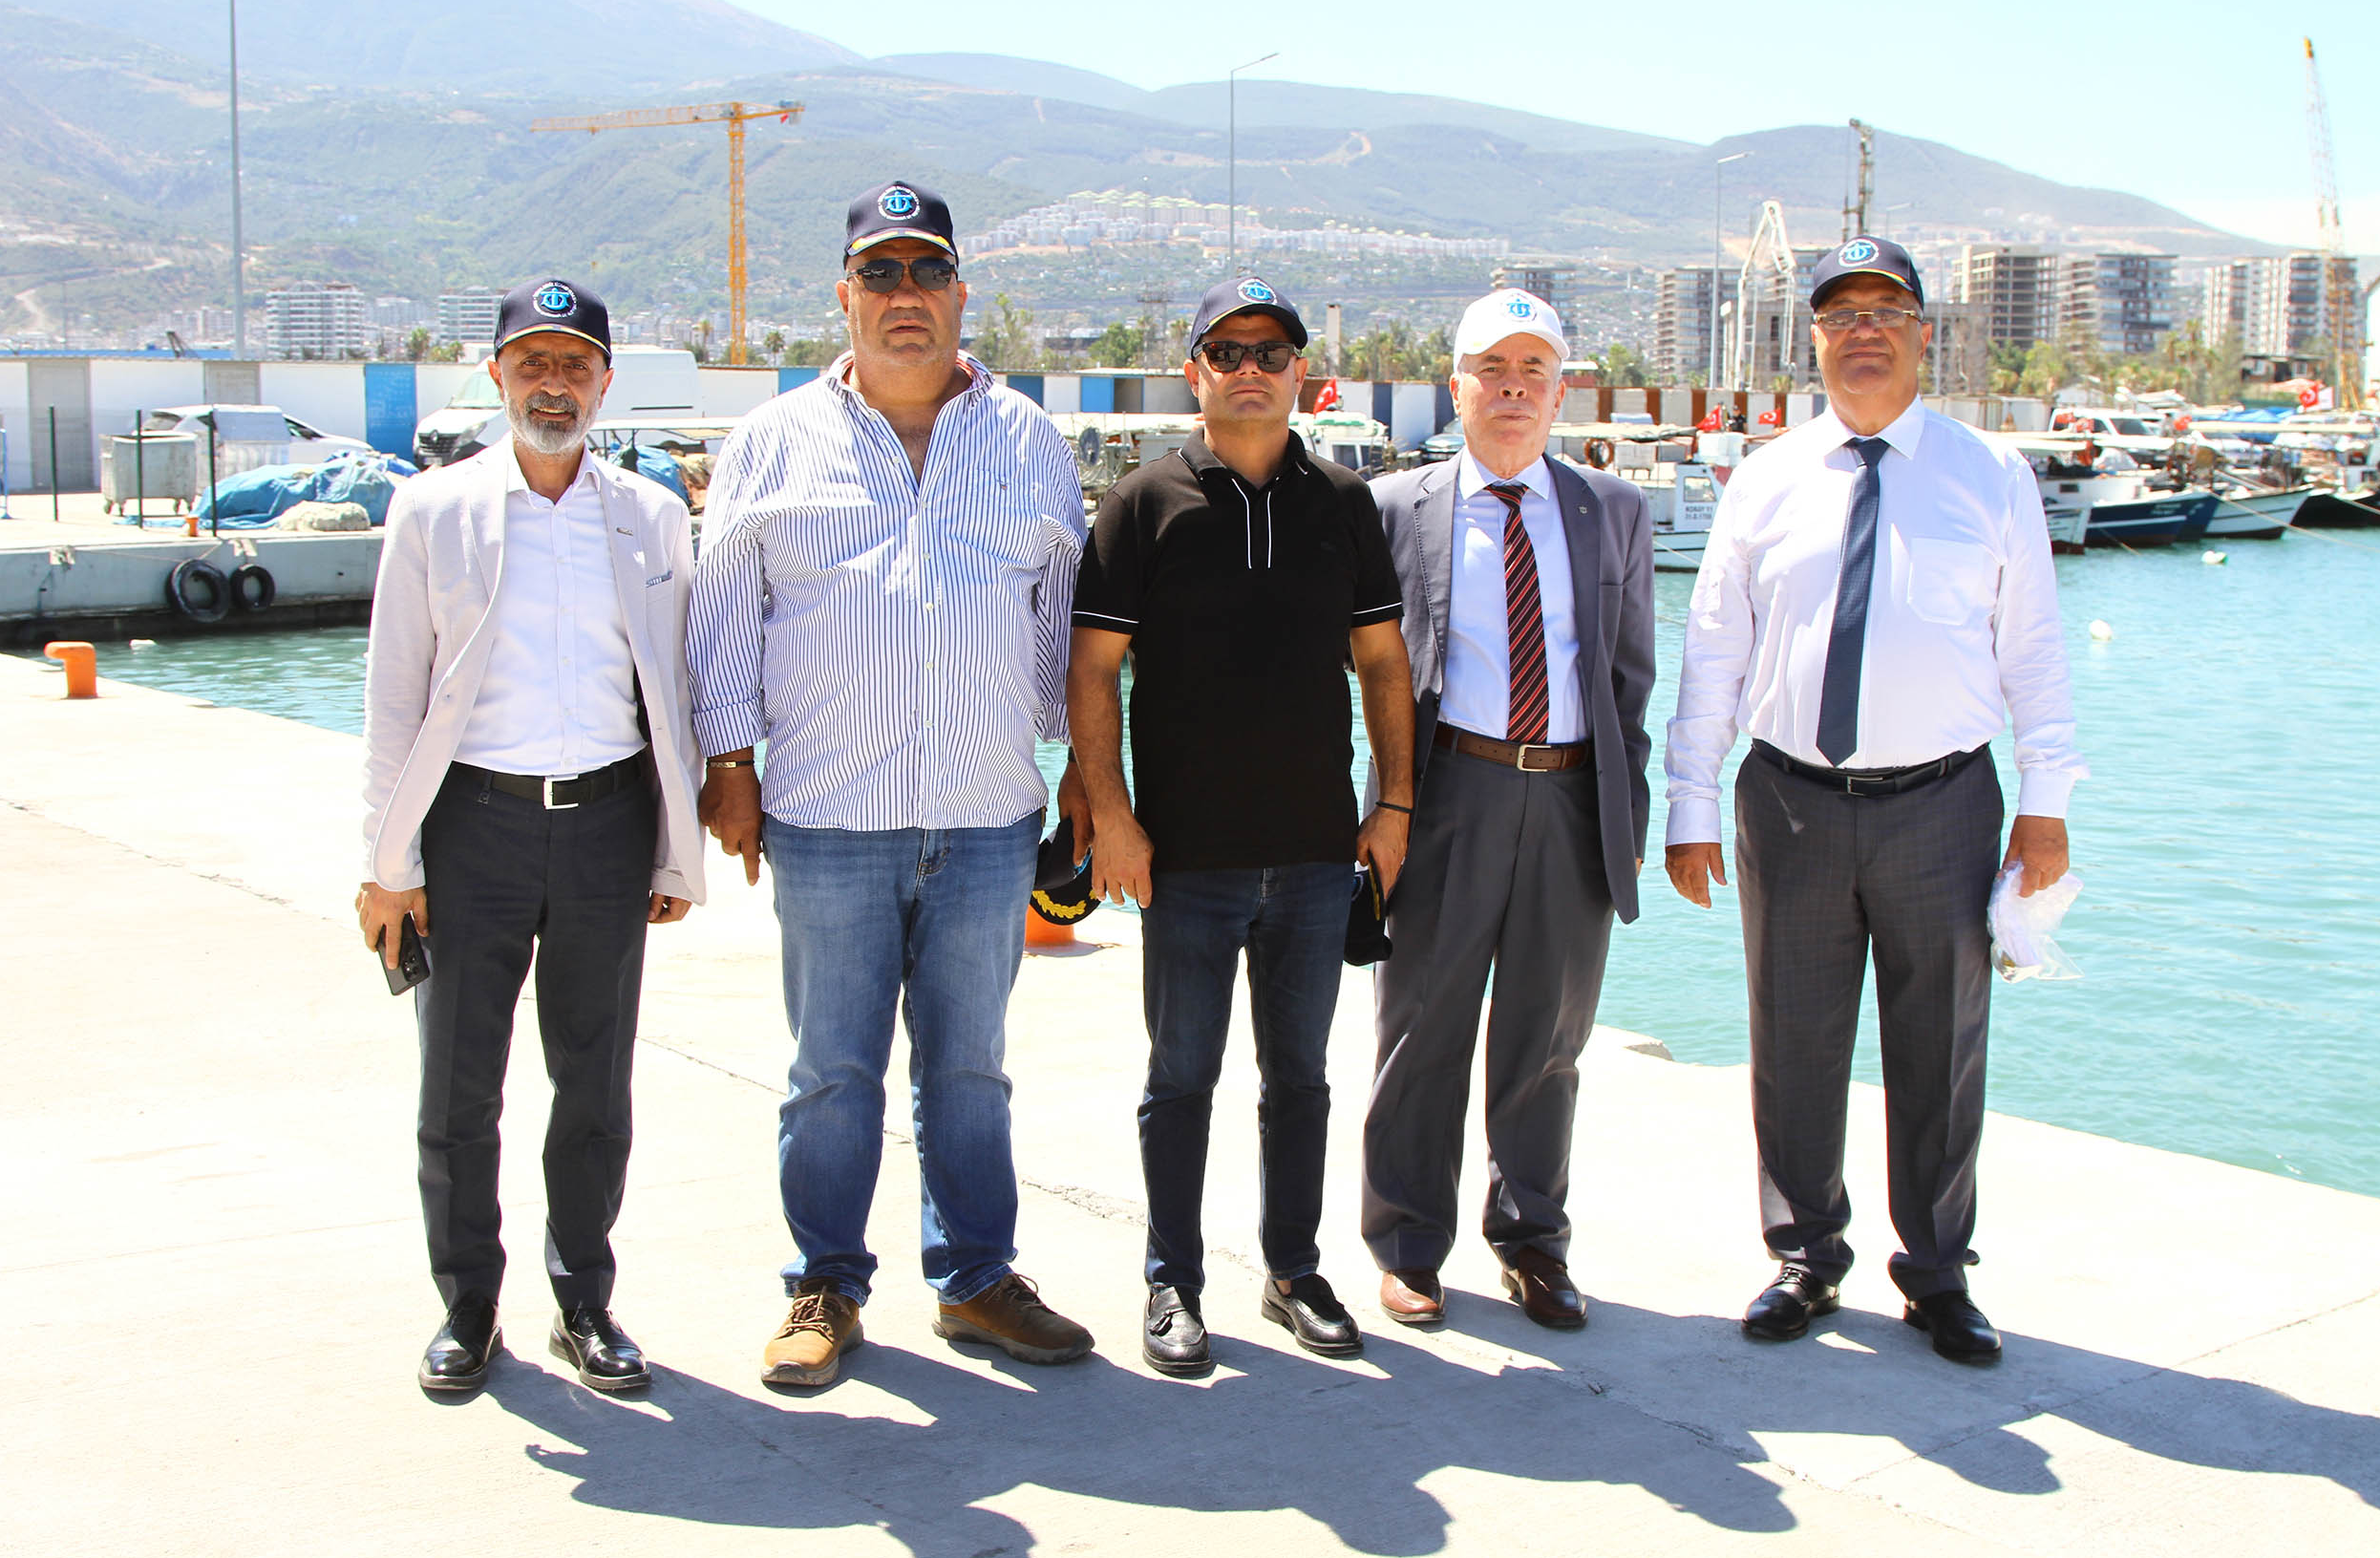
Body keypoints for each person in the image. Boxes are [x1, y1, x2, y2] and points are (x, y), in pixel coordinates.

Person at [686, 180, 1094, 1389]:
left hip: (987, 812)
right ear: (845, 294)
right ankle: (824, 1283)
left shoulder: (1028, 439)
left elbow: (1068, 620)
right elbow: (724, 611)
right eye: (880, 272)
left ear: (961, 292)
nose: (903, 295)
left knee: (970, 1068)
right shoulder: (771, 440)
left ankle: (974, 1278)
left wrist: (1085, 769)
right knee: (830, 1070)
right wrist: (729, 764)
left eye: (925, 272)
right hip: (827, 816)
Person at [1662, 235, 2085, 1366]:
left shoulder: (1990, 472)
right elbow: (1714, 648)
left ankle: (1936, 1271)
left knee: (1939, 1044)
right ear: (1812, 337)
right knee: (1791, 1037)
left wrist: (2044, 803)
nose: (1863, 330)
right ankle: (1805, 1255)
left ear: (1921, 333)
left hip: (1943, 802)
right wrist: (1688, 802)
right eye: (1840, 312)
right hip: (1787, 801)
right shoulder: (1764, 477)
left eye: (1885, 310)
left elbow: (2034, 649)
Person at [358, 277, 707, 1394]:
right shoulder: (434, 510)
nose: (553, 384)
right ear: (497, 374)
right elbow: (393, 698)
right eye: (532, 363)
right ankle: (468, 1303)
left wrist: (675, 846)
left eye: (574, 365)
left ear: (604, 382)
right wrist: (387, 865)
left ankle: (583, 1299)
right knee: (458, 1087)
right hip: (473, 828)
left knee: (595, 1083)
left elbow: (675, 692)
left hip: (608, 825)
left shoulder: (651, 515)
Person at [1070, 276, 1414, 1376]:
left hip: (1315, 854)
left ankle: (1293, 1271)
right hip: (1183, 859)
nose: (1249, 368)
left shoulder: (1344, 502)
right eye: (1226, 350)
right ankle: (1171, 1279)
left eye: (1270, 350)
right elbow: (1092, 669)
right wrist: (1113, 816)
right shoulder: (1143, 502)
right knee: (1179, 1078)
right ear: (1195, 371)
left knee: (1300, 1080)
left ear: (1302, 371)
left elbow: (1382, 663)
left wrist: (1394, 804)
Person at [1362, 288, 1655, 1331]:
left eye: (1534, 369)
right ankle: (1408, 1244)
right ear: (1458, 386)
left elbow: (1629, 677)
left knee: (1548, 1035)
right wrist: (1381, 808)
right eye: (1493, 368)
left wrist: (1626, 809)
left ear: (1560, 391)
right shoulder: (1395, 507)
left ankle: (1532, 1239)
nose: (1514, 387)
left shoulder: (1612, 509)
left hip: (1573, 797)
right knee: (1421, 1026)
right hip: (1447, 792)